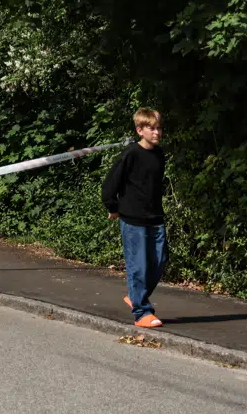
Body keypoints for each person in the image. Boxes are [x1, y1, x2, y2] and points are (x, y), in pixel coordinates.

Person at [103, 107, 168, 329]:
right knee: (138, 266)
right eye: (151, 128)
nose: (157, 132)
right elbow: (111, 183)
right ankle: (141, 312)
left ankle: (135, 296)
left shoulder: (159, 155)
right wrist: (113, 206)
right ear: (140, 130)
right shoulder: (131, 154)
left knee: (159, 262)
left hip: (155, 217)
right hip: (133, 219)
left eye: (159, 128)